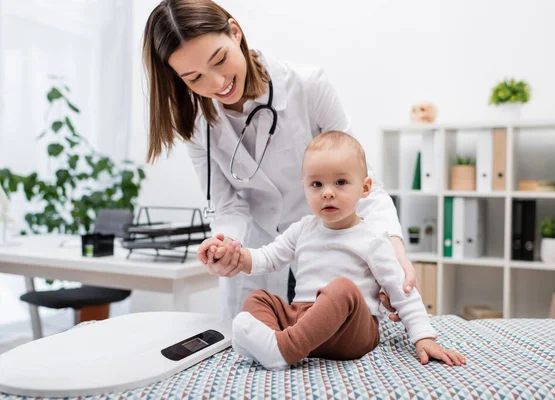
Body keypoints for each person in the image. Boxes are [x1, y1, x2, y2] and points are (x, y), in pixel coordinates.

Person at [142, 0, 418, 320]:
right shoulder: (195, 124)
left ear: (235, 33)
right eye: (194, 78)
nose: (216, 84)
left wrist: (393, 251)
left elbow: (360, 180)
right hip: (259, 262)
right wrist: (225, 246)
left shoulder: (307, 86)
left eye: (220, 60)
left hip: (327, 252)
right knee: (255, 350)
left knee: (335, 346)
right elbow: (228, 206)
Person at [200, 131, 466, 370]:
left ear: (364, 189)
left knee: (342, 288)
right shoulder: (302, 228)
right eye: (317, 185)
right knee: (259, 298)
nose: (327, 193)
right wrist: (234, 254)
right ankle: (276, 343)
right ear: (304, 188)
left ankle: (283, 349)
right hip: (305, 322)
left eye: (340, 183)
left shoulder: (373, 236)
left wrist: (424, 337)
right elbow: (267, 258)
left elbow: (403, 293)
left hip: (352, 332)